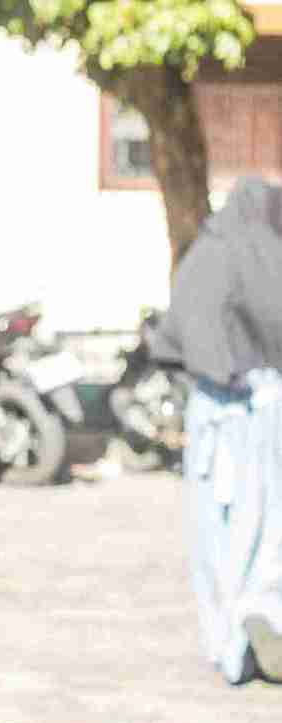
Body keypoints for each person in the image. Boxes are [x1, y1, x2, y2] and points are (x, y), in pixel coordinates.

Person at [153, 176, 282, 684]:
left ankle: (226, 642)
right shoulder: (262, 257)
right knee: (262, 527)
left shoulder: (204, 253)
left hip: (208, 415)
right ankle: (260, 617)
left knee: (214, 534)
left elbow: (179, 337)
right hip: (254, 416)